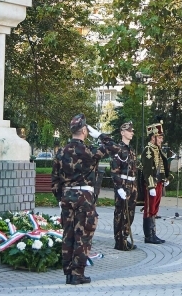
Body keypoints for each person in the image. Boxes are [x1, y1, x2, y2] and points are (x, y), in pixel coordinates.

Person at [52, 114, 119, 285]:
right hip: (84, 198)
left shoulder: (60, 152)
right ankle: (78, 274)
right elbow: (114, 147)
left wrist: (61, 198)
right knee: (83, 236)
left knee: (68, 236)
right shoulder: (88, 151)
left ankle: (68, 273)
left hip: (67, 197)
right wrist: (99, 135)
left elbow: (55, 181)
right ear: (83, 130)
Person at [111, 121, 137, 251]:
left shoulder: (131, 150)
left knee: (130, 213)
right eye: (129, 130)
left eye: (132, 131)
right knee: (120, 213)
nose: (132, 132)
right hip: (123, 184)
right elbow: (114, 170)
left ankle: (125, 237)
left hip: (132, 184)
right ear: (122, 132)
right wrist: (119, 187)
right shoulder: (118, 149)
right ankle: (119, 241)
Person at [141, 122, 168, 244]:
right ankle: (148, 236)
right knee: (149, 209)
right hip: (151, 184)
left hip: (158, 183)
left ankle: (153, 234)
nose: (161, 140)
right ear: (153, 137)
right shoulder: (148, 150)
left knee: (155, 209)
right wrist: (151, 185)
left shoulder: (158, 150)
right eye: (160, 137)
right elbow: (147, 170)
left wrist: (165, 179)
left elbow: (161, 167)